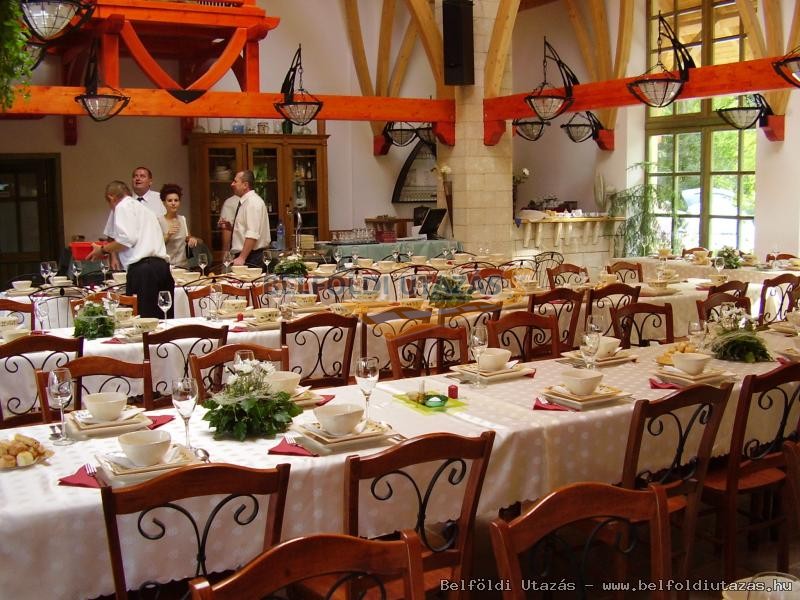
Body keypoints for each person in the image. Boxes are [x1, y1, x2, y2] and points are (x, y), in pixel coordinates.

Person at [87, 180, 175, 319]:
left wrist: (103, 250)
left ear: (111, 198)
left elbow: (126, 240)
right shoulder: (144, 210)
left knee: (143, 323)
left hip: (144, 272)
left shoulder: (122, 206)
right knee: (164, 320)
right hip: (162, 268)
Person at [229, 170, 271, 268]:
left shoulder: (252, 203)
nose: (232, 184)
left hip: (251, 257)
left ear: (245, 185)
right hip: (249, 255)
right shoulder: (247, 202)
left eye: (235, 181)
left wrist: (242, 257)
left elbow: (252, 234)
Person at [158, 183, 200, 268]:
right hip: (166, 266)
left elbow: (188, 238)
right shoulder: (159, 221)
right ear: (164, 203)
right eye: (169, 200)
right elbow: (156, 245)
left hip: (183, 266)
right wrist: (168, 235)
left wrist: (192, 239)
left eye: (176, 200)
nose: (173, 203)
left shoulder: (182, 219)